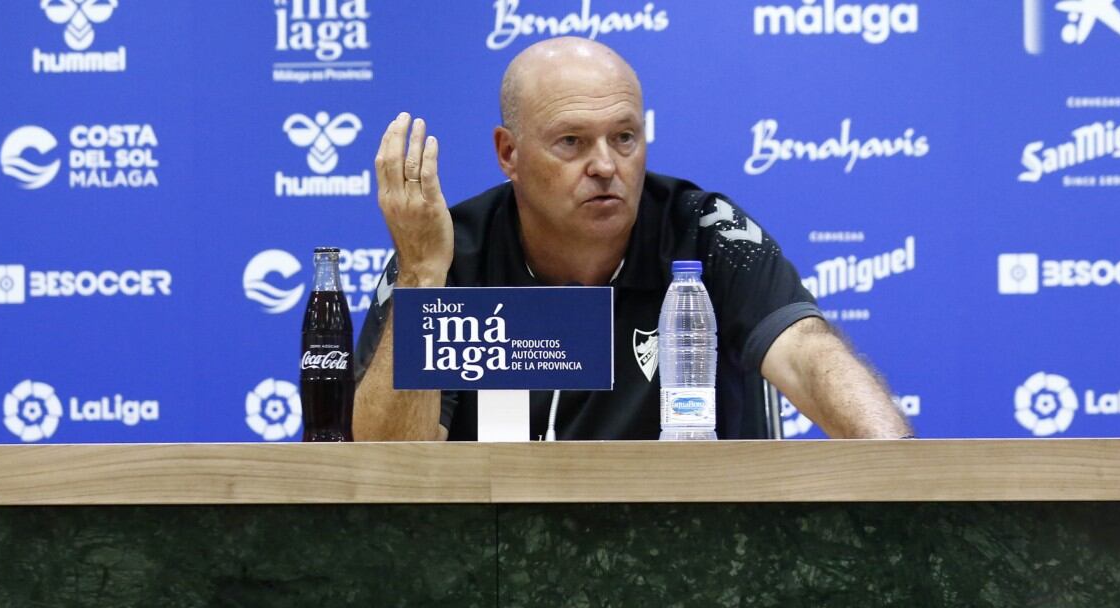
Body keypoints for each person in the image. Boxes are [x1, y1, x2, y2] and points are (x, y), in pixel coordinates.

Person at [351, 37, 911, 442]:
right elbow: (388, 467)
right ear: (508, 154)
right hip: (494, 568)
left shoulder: (704, 231)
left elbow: (809, 355)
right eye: (571, 141)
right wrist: (421, 275)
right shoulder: (451, 254)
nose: (605, 165)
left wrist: (903, 475)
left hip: (695, 555)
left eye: (624, 137)